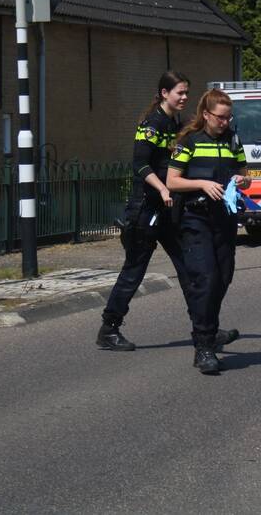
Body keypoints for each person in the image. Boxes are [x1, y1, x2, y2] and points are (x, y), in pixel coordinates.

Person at [96, 70, 193, 351]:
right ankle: (109, 329)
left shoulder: (176, 122)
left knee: (190, 268)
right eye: (180, 92)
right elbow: (139, 164)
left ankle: (205, 326)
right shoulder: (152, 124)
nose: (185, 97)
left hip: (167, 210)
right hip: (146, 209)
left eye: (187, 92)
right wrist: (162, 189)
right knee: (134, 271)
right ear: (165, 93)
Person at [167, 88, 251, 374]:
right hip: (195, 218)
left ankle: (210, 333)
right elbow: (173, 181)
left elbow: (246, 176)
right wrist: (202, 184)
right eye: (221, 117)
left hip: (224, 219)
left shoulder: (233, 141)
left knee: (223, 278)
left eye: (229, 117)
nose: (226, 122)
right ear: (206, 115)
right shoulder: (190, 141)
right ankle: (203, 346)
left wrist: (242, 180)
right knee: (206, 277)